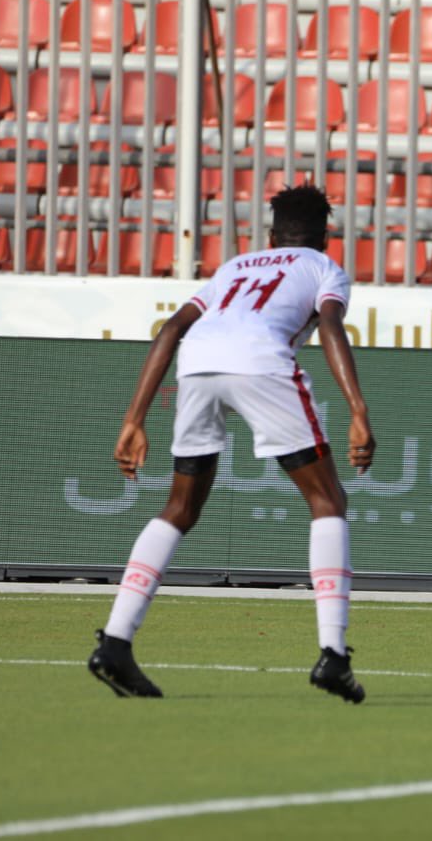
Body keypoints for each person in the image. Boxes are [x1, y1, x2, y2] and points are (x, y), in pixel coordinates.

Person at [87, 184, 376, 703]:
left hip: (197, 363)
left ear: (271, 235)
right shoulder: (323, 268)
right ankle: (333, 654)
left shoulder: (236, 267)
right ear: (325, 237)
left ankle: (115, 641)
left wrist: (134, 420)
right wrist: (357, 409)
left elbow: (171, 329)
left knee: (178, 507)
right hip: (262, 361)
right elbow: (332, 326)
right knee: (328, 500)